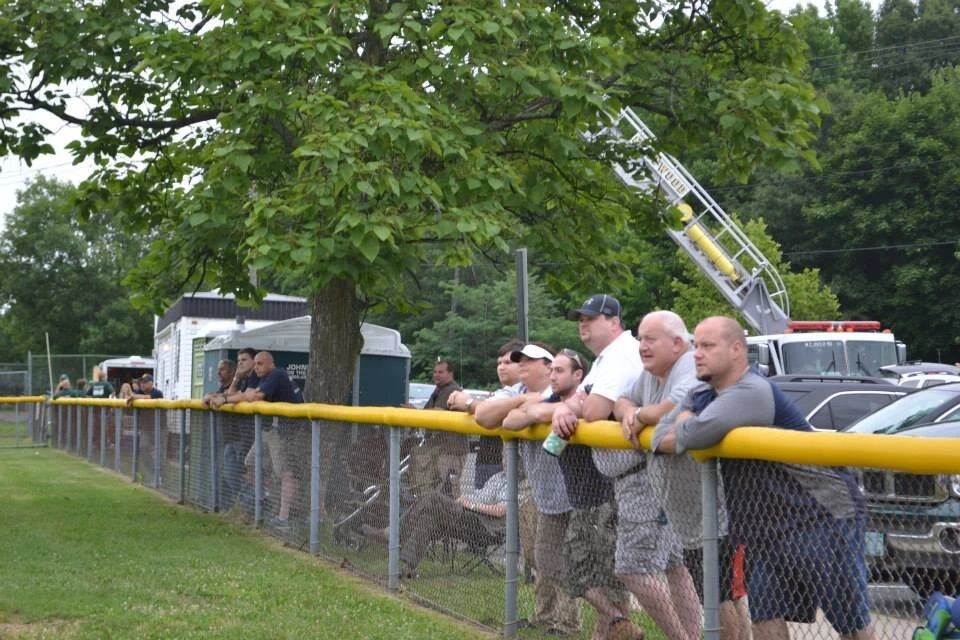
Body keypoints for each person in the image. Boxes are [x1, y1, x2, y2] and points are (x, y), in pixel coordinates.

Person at [659, 316, 874, 640]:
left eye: (707, 346)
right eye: (695, 345)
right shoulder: (704, 392)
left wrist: (686, 418)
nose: (697, 354)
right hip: (764, 527)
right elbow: (660, 438)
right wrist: (684, 421)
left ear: (736, 350)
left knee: (850, 623)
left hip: (820, 517)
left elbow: (691, 435)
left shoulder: (751, 391)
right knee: (765, 618)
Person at [617, 311, 748, 640]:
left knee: (722, 599)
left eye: (650, 339)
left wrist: (641, 415)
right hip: (689, 517)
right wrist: (631, 412)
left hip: (717, 513)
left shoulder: (689, 366)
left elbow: (673, 415)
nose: (642, 346)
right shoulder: (650, 375)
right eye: (640, 338)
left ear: (678, 344)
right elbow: (622, 399)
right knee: (717, 596)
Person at [505, 349, 646, 640]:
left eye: (559, 371)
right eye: (552, 370)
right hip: (579, 500)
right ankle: (619, 622)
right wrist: (550, 409)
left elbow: (597, 411)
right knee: (560, 565)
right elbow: (511, 422)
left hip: (603, 498)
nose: (552, 376)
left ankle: (614, 627)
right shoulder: (558, 404)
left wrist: (561, 410)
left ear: (578, 375)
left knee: (609, 577)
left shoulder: (591, 404)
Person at [476, 343, 583, 638]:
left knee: (566, 558)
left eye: (528, 360)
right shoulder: (519, 393)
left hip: (574, 491)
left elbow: (566, 410)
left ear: (549, 368)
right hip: (542, 491)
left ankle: (568, 622)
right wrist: (531, 405)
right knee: (540, 557)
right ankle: (544, 615)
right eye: (518, 360)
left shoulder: (570, 395)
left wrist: (535, 410)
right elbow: (495, 419)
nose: (520, 364)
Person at [362, 470, 512, 578]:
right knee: (428, 517)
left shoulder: (515, 483)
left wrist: (471, 505)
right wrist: (464, 499)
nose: (504, 455)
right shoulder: (498, 476)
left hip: (482, 526)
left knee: (431, 496)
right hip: (466, 513)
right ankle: (408, 567)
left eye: (507, 452)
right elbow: (479, 495)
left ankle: (393, 534)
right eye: (504, 452)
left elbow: (500, 511)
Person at [236, 351, 304, 533]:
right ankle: (265, 499)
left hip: (285, 431)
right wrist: (236, 387)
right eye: (255, 364)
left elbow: (255, 397)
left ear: (269, 364)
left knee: (286, 474)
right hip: (268, 429)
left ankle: (284, 518)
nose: (256, 367)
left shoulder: (276, 374)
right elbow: (244, 395)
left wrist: (239, 396)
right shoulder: (260, 376)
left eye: (259, 364)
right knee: (250, 464)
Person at [447, 340, 523, 488]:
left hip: (507, 466)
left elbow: (485, 410)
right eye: (499, 363)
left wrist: (468, 402)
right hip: (486, 460)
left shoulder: (523, 392)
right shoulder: (503, 393)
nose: (501, 367)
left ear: (524, 364)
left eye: (508, 363)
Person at [410, 360, 467, 498]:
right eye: (435, 372)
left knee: (445, 489)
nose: (436, 375)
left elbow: (436, 413)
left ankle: (451, 517)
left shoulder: (451, 390)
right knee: (432, 486)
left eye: (441, 372)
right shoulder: (438, 390)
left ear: (450, 374)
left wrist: (414, 412)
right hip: (438, 448)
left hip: (451, 451)